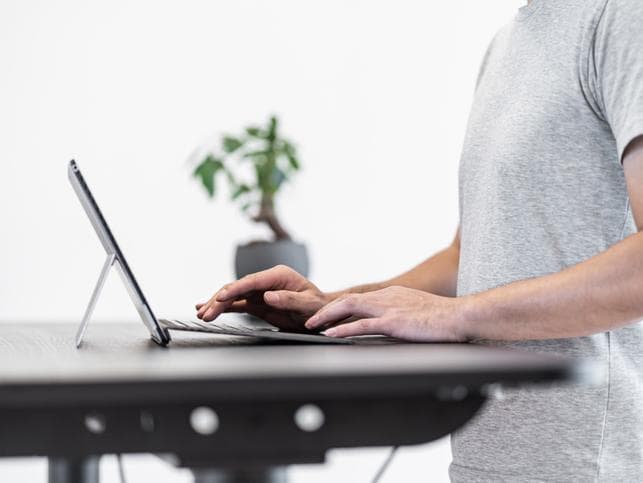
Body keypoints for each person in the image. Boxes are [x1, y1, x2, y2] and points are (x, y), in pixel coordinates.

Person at [195, 0, 643, 480]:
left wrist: (454, 316)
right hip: (491, 460)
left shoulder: (620, 16)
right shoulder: (509, 43)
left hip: (592, 466)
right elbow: (467, 255)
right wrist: (335, 305)